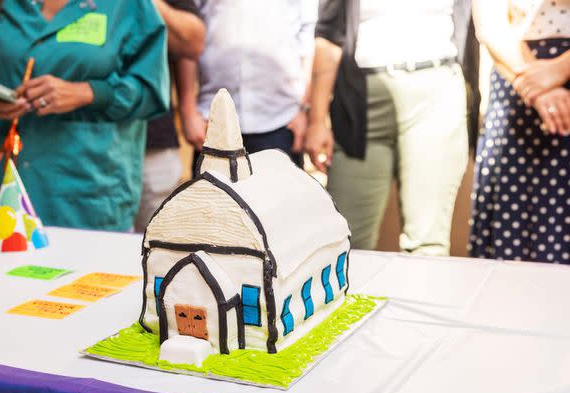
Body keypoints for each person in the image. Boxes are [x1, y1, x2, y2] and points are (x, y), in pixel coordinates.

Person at [0, 0, 169, 231]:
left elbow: (152, 90)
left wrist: (88, 93)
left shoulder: (129, 5)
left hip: (93, 195)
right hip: (9, 193)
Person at [307, 0, 474, 255]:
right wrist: (317, 120)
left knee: (427, 244)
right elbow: (329, 35)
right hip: (362, 99)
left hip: (437, 90)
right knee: (348, 241)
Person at [469, 0, 570, 263]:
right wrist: (536, 86)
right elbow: (489, 24)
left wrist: (560, 69)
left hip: (536, 77)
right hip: (517, 79)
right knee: (511, 225)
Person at [178, 0, 317, 172]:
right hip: (213, 123)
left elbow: (309, 36)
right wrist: (188, 111)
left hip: (282, 121)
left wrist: (303, 109)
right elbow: (187, 36)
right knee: (213, 198)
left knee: (280, 197)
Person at [134, 0, 205, 232]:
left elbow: (191, 42)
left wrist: (188, 109)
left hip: (152, 138)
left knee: (163, 240)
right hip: (75, 141)